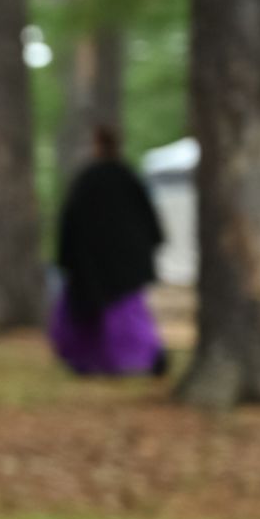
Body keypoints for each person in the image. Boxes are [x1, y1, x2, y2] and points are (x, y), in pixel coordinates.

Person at [49, 126, 167, 377]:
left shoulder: (88, 181)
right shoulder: (127, 178)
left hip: (93, 265)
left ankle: (115, 360)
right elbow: (151, 223)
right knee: (124, 314)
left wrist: (67, 258)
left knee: (100, 314)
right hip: (124, 266)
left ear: (97, 146)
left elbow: (70, 223)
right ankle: (135, 359)